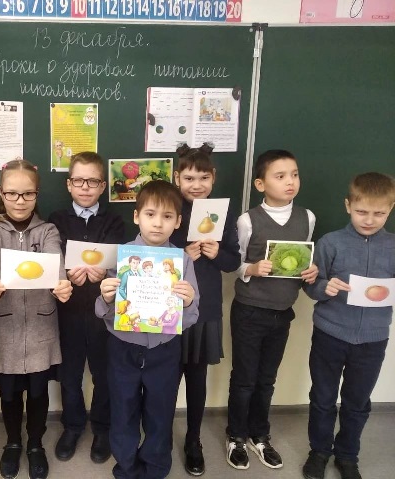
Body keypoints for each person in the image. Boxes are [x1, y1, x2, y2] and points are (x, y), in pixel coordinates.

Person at [97, 180, 200, 479]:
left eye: (167, 217)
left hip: (164, 351)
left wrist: (188, 301)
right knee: (123, 410)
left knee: (160, 412)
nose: (157, 223)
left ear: (178, 222)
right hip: (123, 348)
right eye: (150, 214)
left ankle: (155, 467)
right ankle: (126, 467)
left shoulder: (182, 261)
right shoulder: (121, 257)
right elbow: (104, 311)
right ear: (136, 216)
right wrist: (106, 298)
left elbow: (192, 316)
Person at [0, 159, 72, 479]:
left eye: (28, 194)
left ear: (37, 194)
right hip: (6, 325)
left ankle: (35, 444)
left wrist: (61, 285)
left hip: (41, 324)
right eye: (12, 194)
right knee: (8, 393)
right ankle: (13, 442)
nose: (20, 201)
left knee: (37, 391)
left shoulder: (47, 230)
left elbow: (55, 266)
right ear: (1, 193)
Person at [226, 149, 318, 470]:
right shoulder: (247, 220)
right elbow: (234, 262)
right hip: (249, 311)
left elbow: (305, 257)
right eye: (280, 176)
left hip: (283, 312)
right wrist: (251, 269)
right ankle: (236, 435)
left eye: (294, 174)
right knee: (244, 380)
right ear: (260, 184)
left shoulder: (307, 218)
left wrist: (310, 271)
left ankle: (259, 435)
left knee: (267, 380)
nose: (290, 181)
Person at [301, 172, 395, 479]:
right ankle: (319, 451)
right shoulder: (330, 243)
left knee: (357, 402)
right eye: (361, 211)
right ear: (347, 206)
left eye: (379, 213)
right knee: (323, 397)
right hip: (330, 333)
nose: (369, 220)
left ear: (390, 209)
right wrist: (323, 287)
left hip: (373, 340)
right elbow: (311, 285)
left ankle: (347, 455)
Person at [47, 151, 124, 464]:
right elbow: (52, 261)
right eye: (78, 180)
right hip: (68, 312)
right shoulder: (56, 221)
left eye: (93, 181)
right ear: (68, 184)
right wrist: (65, 274)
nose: (85, 187)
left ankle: (102, 428)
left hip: (104, 313)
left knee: (104, 374)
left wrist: (105, 273)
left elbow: (118, 263)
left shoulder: (115, 221)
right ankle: (73, 425)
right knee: (70, 376)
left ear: (103, 186)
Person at [170, 142, 240, 476]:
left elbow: (233, 261)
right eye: (189, 178)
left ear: (213, 178)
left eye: (203, 178)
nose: (196, 185)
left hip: (205, 308)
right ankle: (160, 437)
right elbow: (154, 254)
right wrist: (183, 256)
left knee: (197, 379)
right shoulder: (168, 210)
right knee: (166, 378)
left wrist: (216, 253)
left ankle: (193, 440)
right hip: (169, 307)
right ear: (177, 178)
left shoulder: (222, 214)